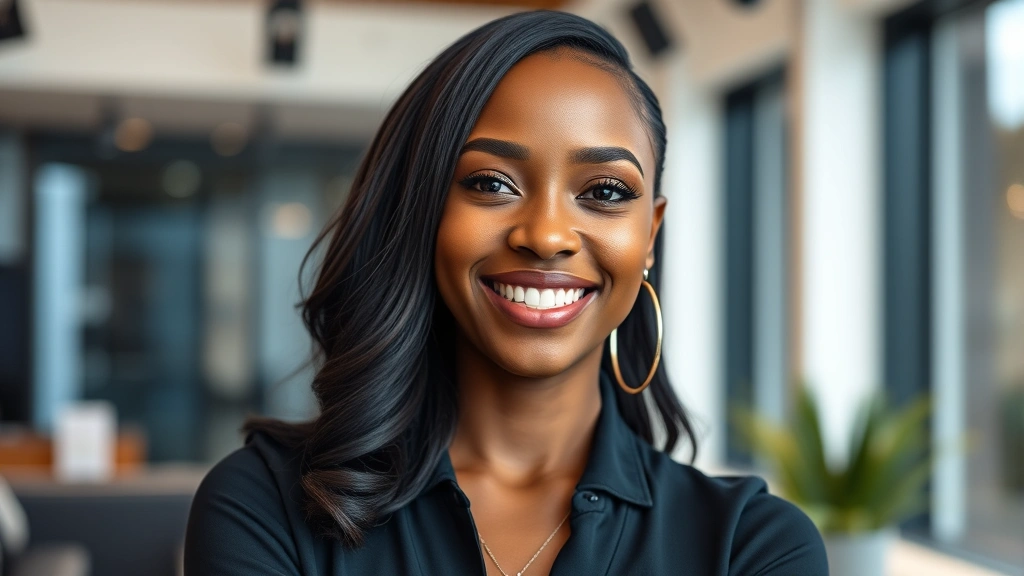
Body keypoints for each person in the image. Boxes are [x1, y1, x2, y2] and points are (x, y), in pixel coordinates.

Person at [184, 10, 828, 576]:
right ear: (423, 212)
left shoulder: (751, 548)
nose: (547, 235)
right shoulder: (265, 506)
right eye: (491, 183)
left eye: (604, 192)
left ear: (650, 234)